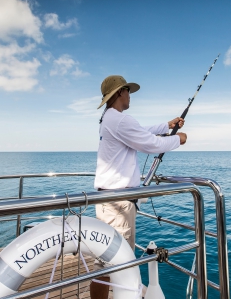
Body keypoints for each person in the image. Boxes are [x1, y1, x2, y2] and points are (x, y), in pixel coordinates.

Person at [90, 75, 187, 298]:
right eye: (127, 90)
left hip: (108, 200)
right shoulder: (120, 120)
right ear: (118, 93)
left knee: (104, 263)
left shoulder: (110, 119)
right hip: (118, 204)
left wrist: (167, 125)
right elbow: (150, 143)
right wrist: (178, 139)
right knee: (116, 263)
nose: (130, 94)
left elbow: (140, 131)